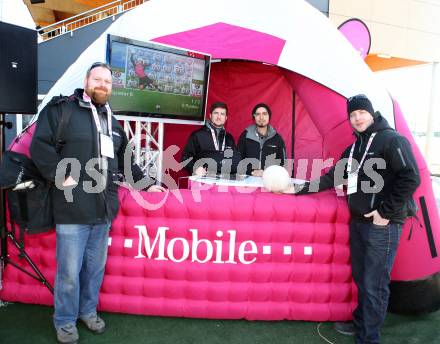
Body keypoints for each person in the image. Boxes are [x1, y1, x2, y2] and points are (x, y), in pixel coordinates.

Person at [30, 62, 165, 344]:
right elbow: (39, 145)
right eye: (98, 79)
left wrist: (146, 183)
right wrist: (59, 174)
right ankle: (65, 321)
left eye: (108, 82)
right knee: (68, 273)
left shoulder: (112, 121)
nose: (104, 85)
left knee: (94, 269)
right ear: (87, 81)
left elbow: (125, 159)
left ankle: (87, 311)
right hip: (71, 209)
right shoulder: (62, 110)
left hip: (103, 210)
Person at [282, 94, 420, 344]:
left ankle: (369, 338)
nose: (357, 118)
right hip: (358, 222)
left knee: (374, 283)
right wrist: (297, 189)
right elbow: (332, 176)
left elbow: (411, 178)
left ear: (372, 113)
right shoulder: (355, 147)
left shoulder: (392, 140)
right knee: (362, 278)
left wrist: (384, 213)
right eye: (353, 115)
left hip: (382, 225)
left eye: (361, 113)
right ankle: (361, 323)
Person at [181, 101, 239, 176]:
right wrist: (195, 168)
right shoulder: (197, 135)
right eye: (216, 113)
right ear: (210, 115)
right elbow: (185, 159)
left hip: (223, 182)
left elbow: (234, 160)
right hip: (202, 181)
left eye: (222, 114)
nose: (219, 117)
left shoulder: (229, 138)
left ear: (226, 118)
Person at [237, 103, 286, 176]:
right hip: (248, 180)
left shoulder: (277, 138)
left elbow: (283, 164)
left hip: (270, 181)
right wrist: (251, 172)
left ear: (269, 116)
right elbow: (237, 161)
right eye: (258, 114)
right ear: (254, 117)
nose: (261, 117)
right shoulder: (245, 136)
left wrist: (270, 174)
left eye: (264, 114)